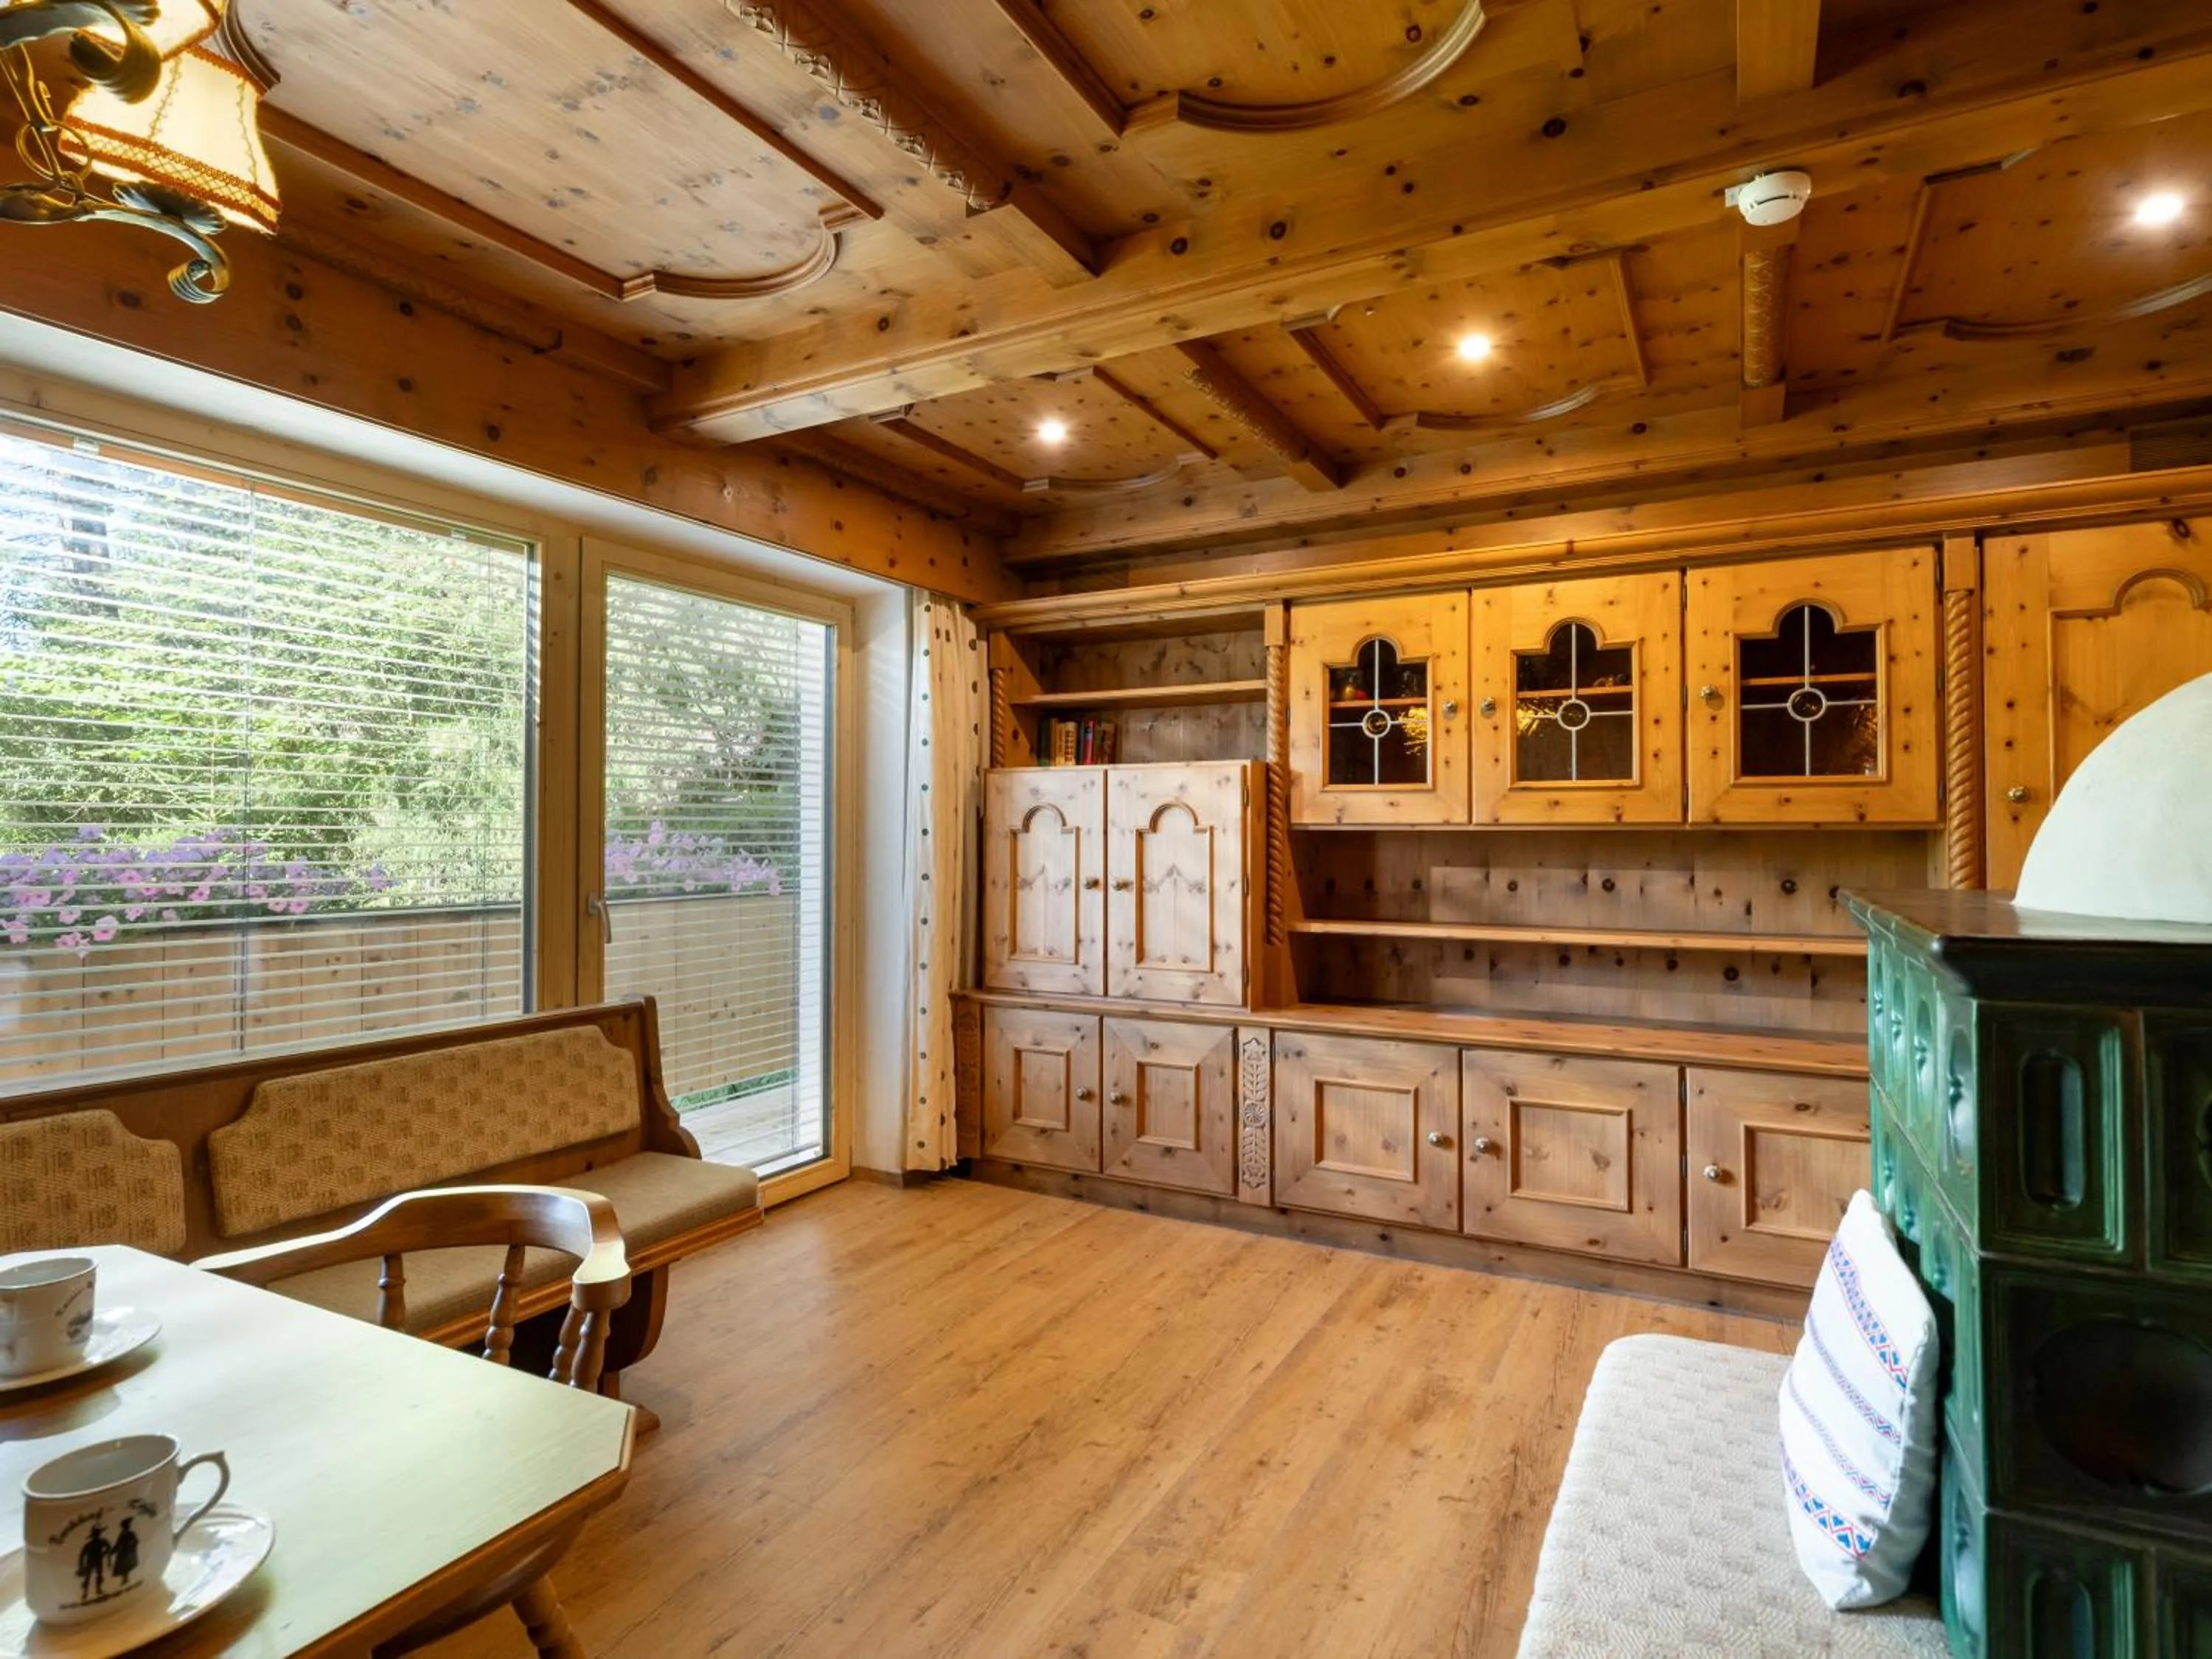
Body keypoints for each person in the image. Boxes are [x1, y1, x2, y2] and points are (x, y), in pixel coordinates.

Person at [75, 1522, 111, 1601]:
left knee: (99, 1575)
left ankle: (98, 1590)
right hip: (90, 1562)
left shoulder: (101, 1542)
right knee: (88, 1577)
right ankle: (85, 1593)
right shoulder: (90, 1544)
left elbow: (108, 1547)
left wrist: (104, 1554)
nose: (97, 1535)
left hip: (97, 1561)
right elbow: (82, 1555)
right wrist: (81, 1566)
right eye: (96, 1534)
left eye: (98, 1533)